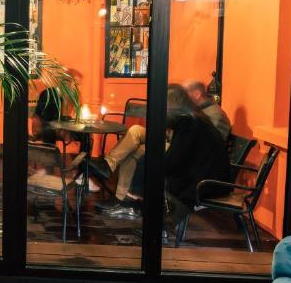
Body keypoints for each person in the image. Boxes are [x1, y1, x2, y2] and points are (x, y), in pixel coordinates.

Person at [97, 85, 230, 221]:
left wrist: (153, 162)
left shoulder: (189, 125)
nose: (161, 110)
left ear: (172, 106)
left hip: (205, 183)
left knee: (146, 160)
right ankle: (130, 202)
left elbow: (174, 162)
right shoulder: (192, 120)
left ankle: (133, 204)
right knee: (145, 158)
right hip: (204, 175)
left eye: (164, 106)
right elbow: (178, 157)